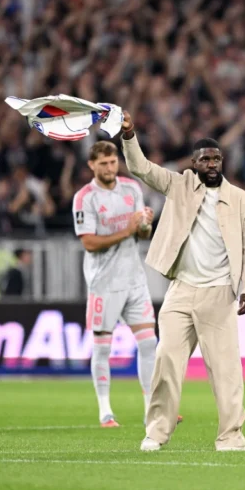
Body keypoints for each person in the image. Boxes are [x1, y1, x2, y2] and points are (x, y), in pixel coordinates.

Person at [120, 111, 245, 452]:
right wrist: (128, 136)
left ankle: (231, 437)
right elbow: (141, 168)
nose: (211, 164)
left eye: (216, 159)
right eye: (204, 159)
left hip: (218, 293)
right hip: (181, 291)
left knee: (226, 372)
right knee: (166, 362)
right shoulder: (179, 185)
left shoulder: (241, 199)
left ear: (221, 161)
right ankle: (156, 432)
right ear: (193, 163)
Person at [72, 140, 178, 427]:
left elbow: (141, 234)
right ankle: (105, 410)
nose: (109, 167)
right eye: (103, 163)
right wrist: (127, 229)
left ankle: (150, 410)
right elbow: (90, 242)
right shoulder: (85, 199)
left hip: (134, 280)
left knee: (149, 344)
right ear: (91, 165)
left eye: (113, 162)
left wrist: (144, 226)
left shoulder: (131, 188)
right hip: (103, 283)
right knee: (103, 348)